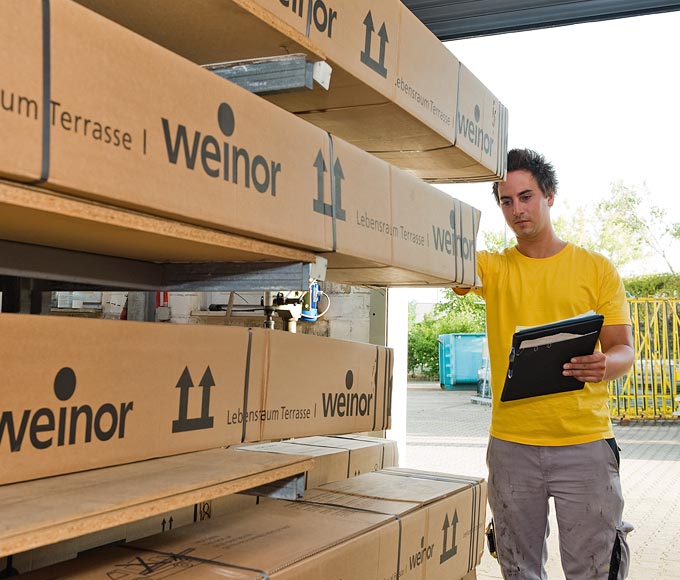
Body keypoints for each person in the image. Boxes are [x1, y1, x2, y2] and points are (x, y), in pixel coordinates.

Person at [457, 148, 635, 579]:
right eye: (506, 201)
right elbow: (434, 251)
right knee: (518, 570)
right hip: (512, 447)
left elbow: (623, 348)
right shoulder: (491, 269)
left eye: (526, 196)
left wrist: (604, 365)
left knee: (592, 570)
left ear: (550, 196)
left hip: (585, 445)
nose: (517, 209)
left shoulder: (595, 269)